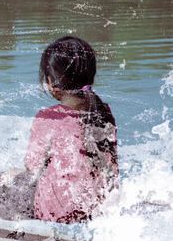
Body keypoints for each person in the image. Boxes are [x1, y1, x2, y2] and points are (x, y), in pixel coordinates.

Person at [23, 35, 118, 222]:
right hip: (96, 208)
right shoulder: (103, 111)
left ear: (52, 82)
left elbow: (32, 167)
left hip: (57, 214)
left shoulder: (49, 116)